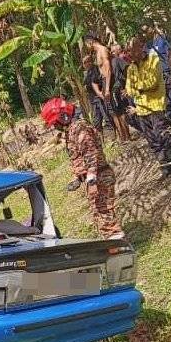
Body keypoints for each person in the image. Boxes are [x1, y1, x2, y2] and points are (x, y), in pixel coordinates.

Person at [41, 97, 125, 240]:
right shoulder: (71, 130)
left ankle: (117, 244)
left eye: (55, 123)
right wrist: (78, 178)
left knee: (103, 210)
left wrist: (91, 174)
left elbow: (90, 151)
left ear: (63, 116)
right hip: (93, 177)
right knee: (99, 211)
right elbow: (79, 157)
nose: (55, 127)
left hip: (99, 175)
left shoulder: (80, 128)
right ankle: (111, 240)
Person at [125, 38, 171, 174]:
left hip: (156, 105)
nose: (129, 53)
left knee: (163, 135)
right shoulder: (131, 68)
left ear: (140, 48)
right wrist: (139, 89)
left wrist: (137, 88)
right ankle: (165, 166)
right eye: (128, 50)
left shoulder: (153, 59)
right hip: (140, 109)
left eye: (131, 50)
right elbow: (128, 89)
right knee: (152, 140)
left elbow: (153, 82)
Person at [108, 43, 131, 141]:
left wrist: (126, 83)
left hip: (117, 89)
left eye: (113, 51)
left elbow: (127, 69)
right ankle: (123, 136)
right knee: (117, 113)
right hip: (111, 91)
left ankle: (127, 136)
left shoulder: (116, 60)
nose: (111, 53)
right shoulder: (107, 63)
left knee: (121, 113)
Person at [82, 54, 110, 131]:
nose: (86, 64)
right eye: (84, 63)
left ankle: (115, 133)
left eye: (87, 62)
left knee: (106, 115)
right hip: (92, 99)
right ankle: (100, 136)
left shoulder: (96, 69)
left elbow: (98, 82)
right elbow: (85, 84)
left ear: (91, 62)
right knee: (96, 119)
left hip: (98, 97)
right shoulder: (86, 73)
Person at [84, 32, 113, 107]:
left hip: (110, 82)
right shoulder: (97, 53)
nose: (87, 47)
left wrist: (107, 89)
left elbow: (108, 69)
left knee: (117, 112)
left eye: (86, 44)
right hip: (104, 82)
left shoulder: (102, 50)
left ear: (90, 42)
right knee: (111, 111)